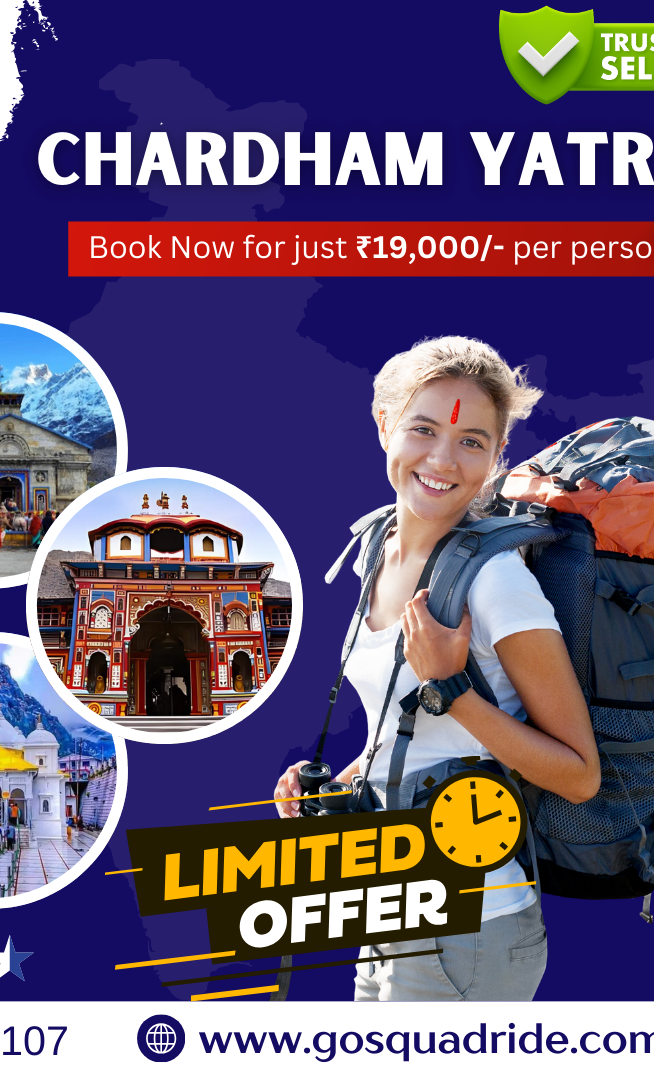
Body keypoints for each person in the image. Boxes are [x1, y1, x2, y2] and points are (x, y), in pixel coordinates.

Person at [273, 336, 600, 1003]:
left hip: (470, 927)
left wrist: (451, 688)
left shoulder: (497, 583)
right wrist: (340, 783)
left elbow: (579, 775)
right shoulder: (375, 553)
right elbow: (408, 732)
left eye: (473, 442)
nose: (443, 459)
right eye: (423, 429)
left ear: (495, 457)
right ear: (384, 425)